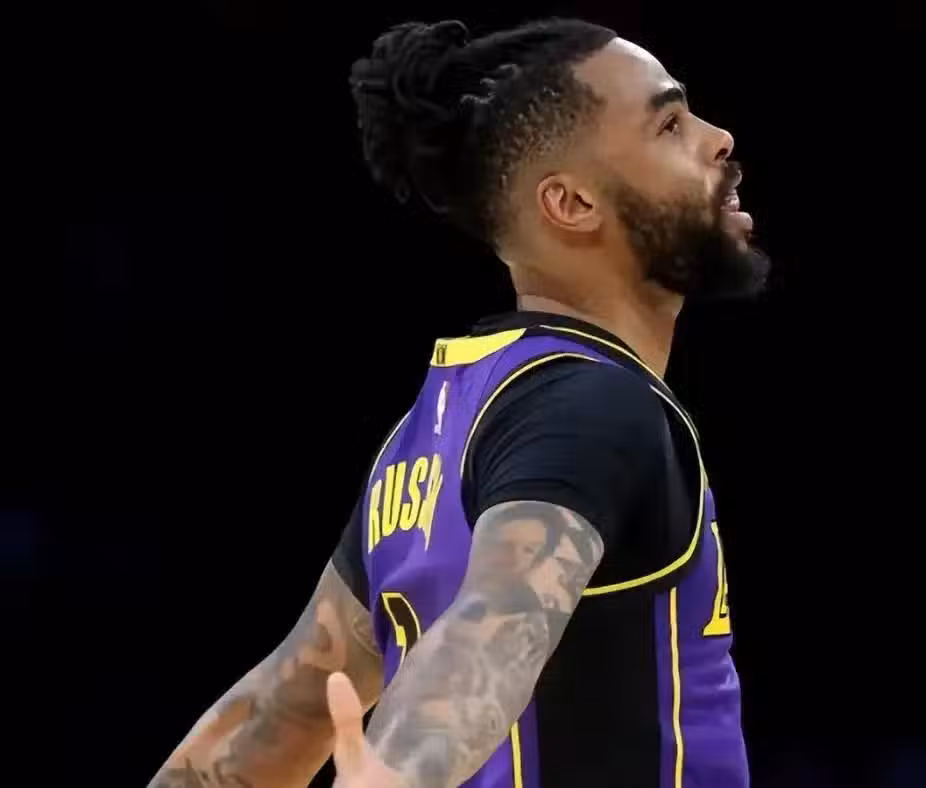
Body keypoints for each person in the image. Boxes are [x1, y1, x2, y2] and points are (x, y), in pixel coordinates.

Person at [147, 16, 770, 788]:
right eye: (669, 124)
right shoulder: (600, 403)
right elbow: (495, 625)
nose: (718, 138)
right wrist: (401, 774)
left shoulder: (429, 432)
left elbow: (282, 711)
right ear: (572, 202)